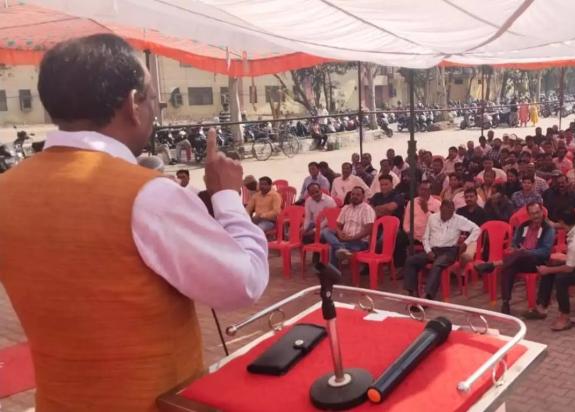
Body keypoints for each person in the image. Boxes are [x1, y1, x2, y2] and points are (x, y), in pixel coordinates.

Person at [0, 34, 269, 411]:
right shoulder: (147, 195)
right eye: (153, 98)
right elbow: (244, 282)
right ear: (132, 104)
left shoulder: (7, 190)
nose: (155, 109)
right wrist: (226, 195)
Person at [476, 202, 555, 315]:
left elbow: (545, 251)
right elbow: (514, 243)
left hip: (537, 260)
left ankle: (494, 264)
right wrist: (514, 248)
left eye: (537, 213)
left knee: (519, 256)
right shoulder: (523, 226)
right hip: (519, 259)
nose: (535, 216)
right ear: (529, 215)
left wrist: (527, 252)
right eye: (532, 214)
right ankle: (506, 302)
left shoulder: (548, 229)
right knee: (508, 268)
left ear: (542, 212)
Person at [402, 200, 480, 300]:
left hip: (449, 251)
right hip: (433, 250)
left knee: (437, 264)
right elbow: (425, 237)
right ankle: (412, 293)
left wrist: (466, 243)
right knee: (411, 260)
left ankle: (428, 296)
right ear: (440, 209)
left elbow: (477, 229)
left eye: (450, 211)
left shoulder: (458, 219)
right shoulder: (432, 218)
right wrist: (428, 251)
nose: (447, 214)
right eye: (445, 211)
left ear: (453, 210)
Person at [322, 187, 375, 267]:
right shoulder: (346, 208)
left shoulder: (367, 209)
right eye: (353, 194)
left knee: (333, 247)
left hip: (360, 242)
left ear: (363, 197)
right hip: (345, 238)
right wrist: (340, 233)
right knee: (326, 231)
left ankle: (334, 270)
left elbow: (369, 229)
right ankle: (341, 247)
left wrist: (352, 238)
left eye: (358, 195)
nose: (355, 196)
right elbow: (338, 225)